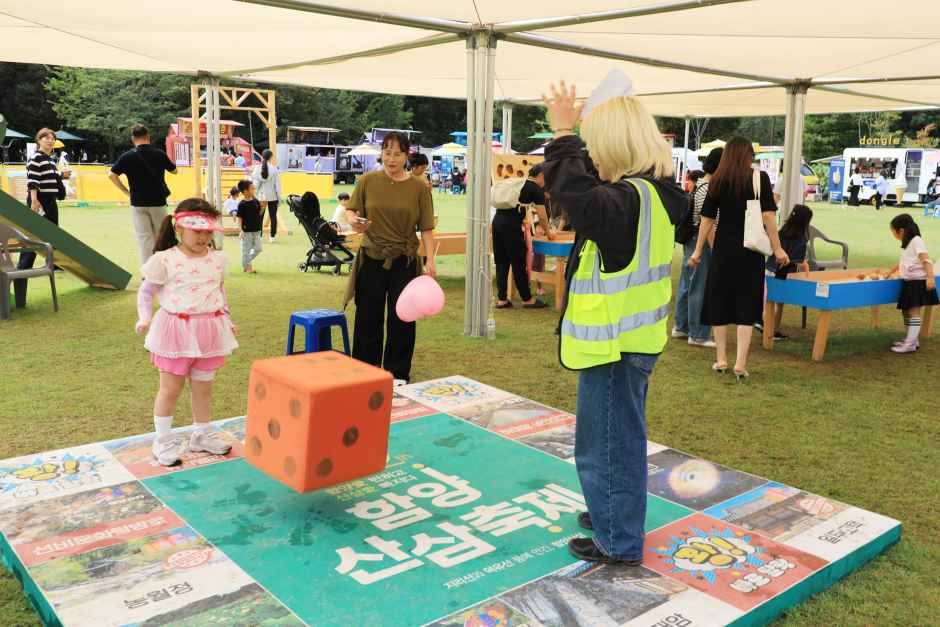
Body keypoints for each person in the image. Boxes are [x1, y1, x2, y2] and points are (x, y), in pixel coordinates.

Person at [542, 73, 687, 565]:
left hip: (614, 345)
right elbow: (585, 199)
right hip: (633, 341)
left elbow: (580, 199)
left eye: (595, 149)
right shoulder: (657, 194)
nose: (592, 160)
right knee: (617, 438)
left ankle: (618, 540)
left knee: (606, 445)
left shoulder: (626, 201)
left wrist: (563, 137)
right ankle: (611, 513)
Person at [134, 198, 238, 466]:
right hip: (175, 332)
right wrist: (144, 317)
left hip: (210, 330)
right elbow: (146, 292)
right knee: (170, 389)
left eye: (207, 231)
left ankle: (201, 434)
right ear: (179, 228)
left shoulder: (217, 259)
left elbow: (220, 290)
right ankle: (163, 441)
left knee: (203, 388)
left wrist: (227, 317)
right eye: (197, 230)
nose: (203, 236)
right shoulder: (164, 260)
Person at [689, 136, 789, 381]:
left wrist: (698, 250)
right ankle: (740, 363)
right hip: (751, 250)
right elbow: (768, 217)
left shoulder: (718, 180)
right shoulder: (759, 178)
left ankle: (721, 359)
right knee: (747, 301)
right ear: (748, 155)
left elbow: (707, 219)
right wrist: (777, 248)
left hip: (723, 247)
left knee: (719, 299)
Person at [343, 131, 437, 385]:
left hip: (404, 260)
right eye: (387, 153)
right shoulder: (367, 180)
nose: (391, 159)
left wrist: (430, 260)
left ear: (406, 156)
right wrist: (355, 221)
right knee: (367, 317)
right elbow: (350, 210)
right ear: (381, 154)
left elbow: (426, 227)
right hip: (372, 257)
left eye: (397, 154)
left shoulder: (419, 187)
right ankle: (365, 371)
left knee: (403, 318)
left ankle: (397, 373)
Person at [14, 128, 69, 308]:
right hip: (41, 201)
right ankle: (23, 268)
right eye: (46, 138)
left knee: (51, 235)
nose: (50, 141)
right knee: (33, 237)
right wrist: (35, 200)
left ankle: (51, 263)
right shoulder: (36, 157)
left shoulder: (49, 160)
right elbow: (33, 180)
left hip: (50, 201)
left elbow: (50, 178)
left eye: (52, 139)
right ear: (39, 140)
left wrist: (61, 176)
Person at [673, 147, 722, 348]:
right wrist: (715, 248)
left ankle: (682, 327)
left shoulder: (701, 184)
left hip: (691, 240)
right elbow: (707, 222)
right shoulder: (709, 188)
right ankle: (699, 333)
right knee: (699, 287)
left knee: (688, 284)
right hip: (700, 242)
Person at [109, 124, 178, 264]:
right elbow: (174, 171)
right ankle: (165, 266)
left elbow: (112, 175)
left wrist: (125, 191)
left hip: (137, 202)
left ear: (133, 138)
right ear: (148, 137)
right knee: (161, 235)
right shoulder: (159, 154)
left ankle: (148, 272)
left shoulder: (127, 156)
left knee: (144, 238)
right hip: (158, 201)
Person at [493, 163, 550, 309]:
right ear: (541, 175)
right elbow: (542, 217)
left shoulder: (519, 183)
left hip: (497, 222)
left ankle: (502, 299)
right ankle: (527, 298)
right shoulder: (535, 188)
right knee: (518, 261)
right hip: (511, 226)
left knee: (501, 261)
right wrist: (549, 233)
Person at [885, 214, 938, 353]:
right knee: (906, 310)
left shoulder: (916, 241)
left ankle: (909, 344)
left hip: (917, 282)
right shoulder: (908, 243)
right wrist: (891, 271)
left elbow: (926, 260)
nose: (893, 234)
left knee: (914, 312)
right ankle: (912, 340)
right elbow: (904, 261)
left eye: (893, 231)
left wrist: (930, 278)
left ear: (901, 230)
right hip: (909, 282)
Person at [766, 204, 813, 341]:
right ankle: (773, 331)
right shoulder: (801, 240)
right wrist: (804, 265)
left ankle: (768, 328)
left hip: (769, 268)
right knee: (779, 303)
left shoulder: (781, 232)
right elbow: (796, 260)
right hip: (783, 273)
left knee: (769, 301)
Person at [252, 149, 281, 243]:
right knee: (273, 217)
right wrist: (279, 198)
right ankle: (272, 237)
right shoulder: (274, 169)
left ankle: (259, 236)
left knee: (259, 217)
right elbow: (277, 186)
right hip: (272, 196)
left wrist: (254, 195)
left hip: (261, 197)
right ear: (271, 157)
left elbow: (255, 185)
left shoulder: (257, 169)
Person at [236, 179, 263, 273]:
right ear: (245, 191)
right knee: (246, 250)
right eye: (252, 189)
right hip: (246, 231)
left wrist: (263, 206)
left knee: (258, 249)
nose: (254, 190)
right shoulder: (242, 204)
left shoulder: (255, 201)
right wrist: (241, 230)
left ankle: (246, 262)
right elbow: (239, 218)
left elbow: (259, 212)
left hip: (257, 230)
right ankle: (247, 267)